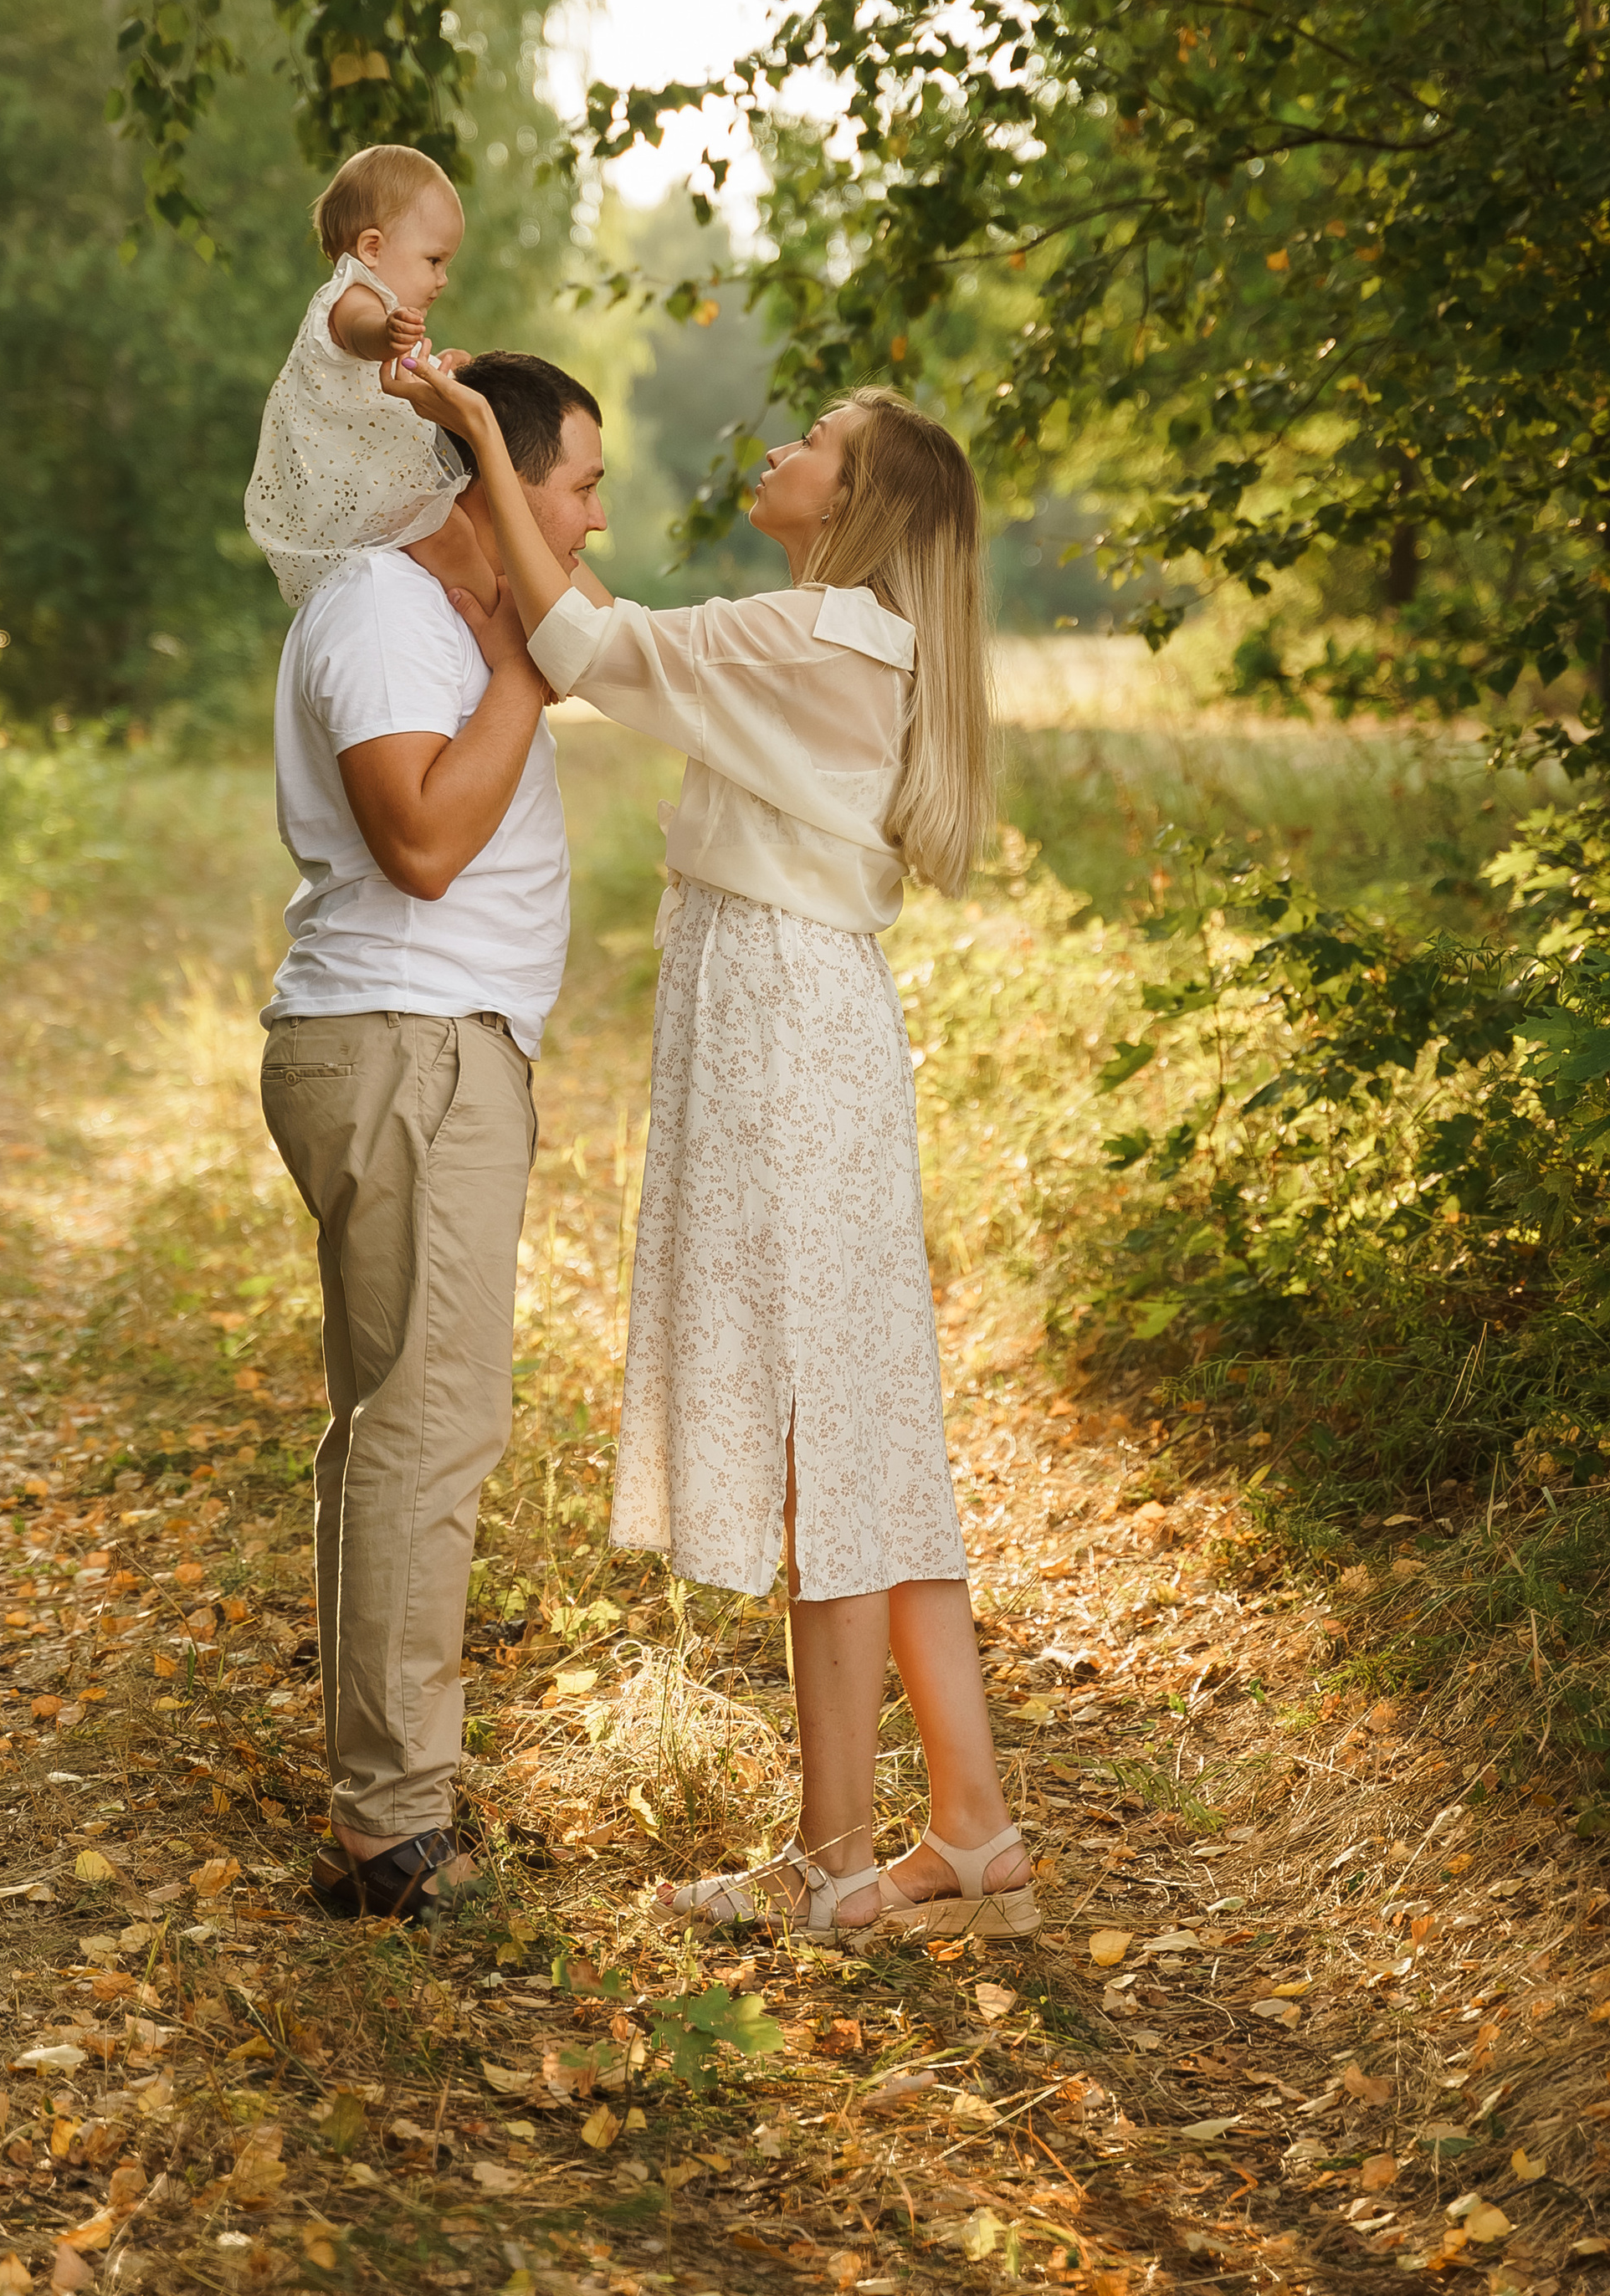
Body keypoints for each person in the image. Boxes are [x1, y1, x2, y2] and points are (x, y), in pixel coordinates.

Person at [385, 359, 1037, 1946]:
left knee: (836, 1429)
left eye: (817, 442)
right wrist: (520, 496)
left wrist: (481, 434)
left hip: (780, 1031)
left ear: (860, 501)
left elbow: (586, 643)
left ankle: (892, 1843)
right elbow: (616, 631)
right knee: (858, 1427)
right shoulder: (830, 641)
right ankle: (949, 1834)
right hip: (807, 1021)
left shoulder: (815, 633)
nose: (786, 448)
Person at [260, 351, 607, 1922]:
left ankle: (377, 1806)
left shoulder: (448, 614)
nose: (596, 517)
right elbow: (418, 841)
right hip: (412, 1048)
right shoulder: (388, 610)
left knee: (388, 1425)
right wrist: (531, 672)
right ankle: (396, 1832)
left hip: (429, 1048)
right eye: (582, 484)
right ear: (492, 473)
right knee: (427, 1430)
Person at [245, 141, 486, 613]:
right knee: (453, 536)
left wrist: (440, 372)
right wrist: (387, 335)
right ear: (372, 248)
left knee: (464, 530)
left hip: (373, 480)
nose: (443, 280)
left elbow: (393, 381)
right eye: (434, 261)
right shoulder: (352, 297)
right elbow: (360, 336)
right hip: (360, 486)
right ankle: (497, 621)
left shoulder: (380, 301)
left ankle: (484, 606)